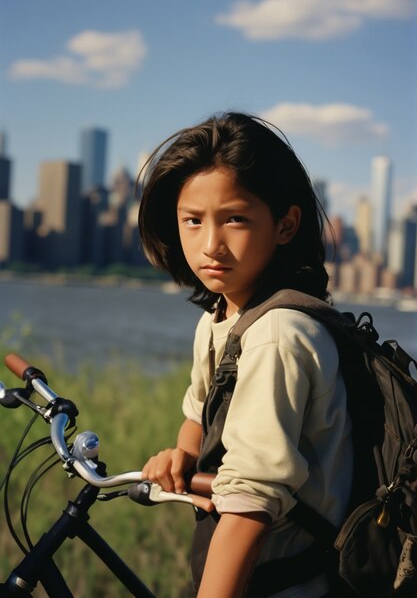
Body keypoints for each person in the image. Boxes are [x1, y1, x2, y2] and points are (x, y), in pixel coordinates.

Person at [138, 111, 353, 598]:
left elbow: (251, 504)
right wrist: (185, 454)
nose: (210, 244)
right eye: (192, 221)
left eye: (234, 218)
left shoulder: (277, 334)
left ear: (286, 225)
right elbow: (198, 411)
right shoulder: (220, 318)